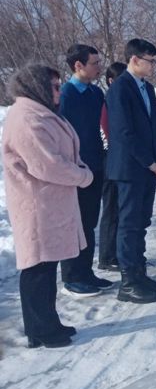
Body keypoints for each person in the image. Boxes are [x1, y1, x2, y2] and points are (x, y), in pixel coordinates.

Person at [3, 65, 95, 347]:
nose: (59, 91)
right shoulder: (27, 119)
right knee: (37, 268)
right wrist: (82, 176)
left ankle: (48, 322)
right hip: (37, 204)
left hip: (50, 203)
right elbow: (47, 164)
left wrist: (78, 168)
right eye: (54, 86)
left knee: (46, 266)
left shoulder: (40, 113)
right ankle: (40, 330)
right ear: (38, 87)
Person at [106, 38, 156, 304]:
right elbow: (123, 133)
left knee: (141, 223)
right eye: (150, 60)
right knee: (129, 224)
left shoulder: (145, 88)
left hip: (148, 168)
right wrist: (149, 162)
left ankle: (140, 273)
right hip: (130, 168)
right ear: (135, 59)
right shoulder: (120, 89)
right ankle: (128, 281)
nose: (154, 65)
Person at [59, 44, 113, 297]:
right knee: (75, 224)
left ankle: (86, 271)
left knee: (89, 222)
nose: (99, 67)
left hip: (94, 165)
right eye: (94, 63)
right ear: (78, 65)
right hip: (74, 170)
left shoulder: (94, 93)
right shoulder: (66, 95)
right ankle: (71, 277)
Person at [98, 62, 127, 272]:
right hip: (110, 161)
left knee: (121, 208)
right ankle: (107, 256)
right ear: (111, 81)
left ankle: (118, 251)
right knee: (111, 208)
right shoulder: (107, 102)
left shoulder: (122, 101)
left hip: (121, 161)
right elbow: (107, 133)